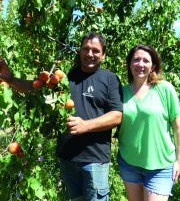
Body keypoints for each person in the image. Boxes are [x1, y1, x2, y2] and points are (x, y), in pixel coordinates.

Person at [0, 32, 123, 201]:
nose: (90, 54)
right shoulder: (65, 78)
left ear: (103, 54)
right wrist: (11, 79)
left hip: (95, 159)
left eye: (95, 50)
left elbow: (116, 116)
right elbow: (34, 87)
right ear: (79, 51)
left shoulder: (110, 79)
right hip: (67, 157)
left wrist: (85, 125)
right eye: (86, 49)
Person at [117, 44, 180, 201]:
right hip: (129, 163)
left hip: (161, 166)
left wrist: (179, 161)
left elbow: (178, 127)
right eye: (136, 59)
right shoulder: (120, 92)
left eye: (146, 60)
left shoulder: (165, 89)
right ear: (129, 64)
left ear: (153, 66)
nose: (140, 64)